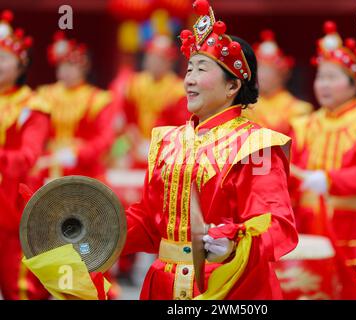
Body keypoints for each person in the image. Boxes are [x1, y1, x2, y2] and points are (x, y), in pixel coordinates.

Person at [122, 0, 298, 300]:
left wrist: (234, 242)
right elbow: (149, 220)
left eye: (201, 69)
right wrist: (96, 228)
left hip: (229, 287)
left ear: (232, 87)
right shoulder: (168, 141)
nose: (189, 78)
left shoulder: (256, 146)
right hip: (164, 284)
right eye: (188, 68)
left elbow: (276, 224)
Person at [290, 21, 356, 299]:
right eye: (319, 77)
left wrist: (330, 180)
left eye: (332, 77)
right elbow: (288, 176)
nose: (323, 84)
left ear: (354, 83)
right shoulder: (303, 125)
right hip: (308, 231)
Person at [0, 10, 51, 300]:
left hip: (12, 211)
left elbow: (28, 156)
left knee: (17, 289)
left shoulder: (33, 105)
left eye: (3, 57)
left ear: (21, 65)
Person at [36, 31, 114, 181]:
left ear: (84, 68)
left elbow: (105, 137)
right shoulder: (44, 95)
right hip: (49, 163)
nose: (65, 71)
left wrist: (78, 153)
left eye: (71, 66)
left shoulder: (97, 99)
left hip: (84, 166)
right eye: (61, 66)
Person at [123, 34, 186, 168]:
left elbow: (179, 128)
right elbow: (128, 118)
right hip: (137, 149)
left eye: (160, 59)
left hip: (166, 153)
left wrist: (157, 146)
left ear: (170, 62)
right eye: (151, 56)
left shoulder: (178, 90)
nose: (154, 62)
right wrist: (136, 142)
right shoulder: (134, 84)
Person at [243, 30, 312, 135]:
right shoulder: (245, 107)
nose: (262, 75)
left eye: (268, 70)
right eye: (260, 69)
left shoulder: (298, 109)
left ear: (282, 75)